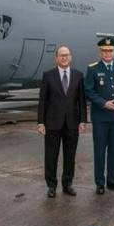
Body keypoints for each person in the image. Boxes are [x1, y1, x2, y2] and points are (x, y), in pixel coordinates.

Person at [37, 46, 87, 198]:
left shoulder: (78, 75)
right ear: (56, 58)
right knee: (51, 156)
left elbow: (81, 101)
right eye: (61, 55)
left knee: (70, 155)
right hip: (52, 123)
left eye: (67, 55)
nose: (64, 58)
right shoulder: (48, 75)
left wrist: (83, 120)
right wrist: (40, 122)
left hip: (72, 123)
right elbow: (42, 101)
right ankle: (51, 185)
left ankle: (68, 184)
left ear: (70, 57)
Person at [84, 37, 114, 194]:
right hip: (100, 116)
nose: (107, 53)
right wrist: (103, 103)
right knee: (100, 150)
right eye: (104, 50)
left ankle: (112, 180)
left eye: (110, 50)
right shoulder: (93, 69)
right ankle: (100, 182)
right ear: (100, 51)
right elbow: (89, 90)